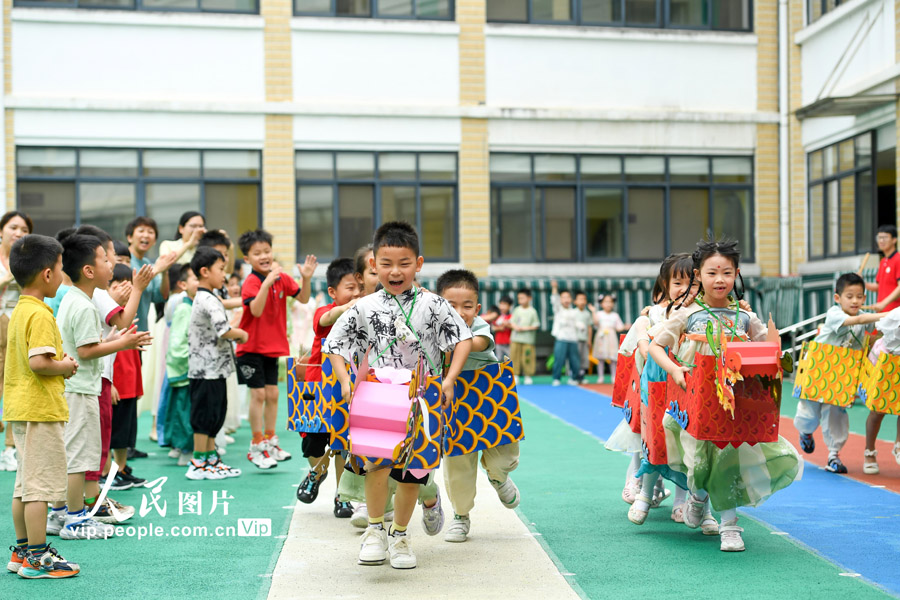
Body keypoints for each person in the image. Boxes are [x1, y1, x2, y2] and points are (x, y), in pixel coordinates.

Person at [324, 221, 472, 570]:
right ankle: (375, 531)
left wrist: (449, 378)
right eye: (387, 263)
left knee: (412, 473)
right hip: (377, 393)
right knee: (377, 468)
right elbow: (335, 344)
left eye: (404, 263)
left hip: (423, 396)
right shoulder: (363, 307)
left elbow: (462, 338)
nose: (395, 271)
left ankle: (401, 535)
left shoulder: (434, 304)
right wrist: (345, 380)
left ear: (418, 264)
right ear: (373, 264)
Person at [647, 238, 801, 552]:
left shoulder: (745, 317)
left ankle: (730, 527)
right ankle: (698, 496)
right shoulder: (685, 314)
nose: (720, 280)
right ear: (698, 276)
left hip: (736, 402)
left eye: (727, 273)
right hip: (697, 399)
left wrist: (778, 360)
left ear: (737, 275)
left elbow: (766, 348)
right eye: (712, 273)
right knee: (701, 462)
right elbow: (655, 346)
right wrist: (675, 370)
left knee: (730, 459)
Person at [51, 234, 151, 540]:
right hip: (80, 390)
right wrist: (124, 342)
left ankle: (58, 514)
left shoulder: (78, 299)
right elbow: (86, 352)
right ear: (88, 271)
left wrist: (114, 341)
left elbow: (88, 344)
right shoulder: (83, 305)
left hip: (80, 387)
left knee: (75, 456)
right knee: (80, 458)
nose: (112, 264)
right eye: (105, 259)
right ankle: (76, 520)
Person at [5, 234, 81, 578]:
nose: (64, 274)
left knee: (24, 484)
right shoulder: (40, 315)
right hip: (41, 409)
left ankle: (22, 552)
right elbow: (40, 363)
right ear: (47, 274)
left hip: (21, 408)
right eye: (61, 268)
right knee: (39, 488)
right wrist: (66, 365)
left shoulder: (20, 310)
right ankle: (38, 557)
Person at [437, 269, 520, 544]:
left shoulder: (479, 328)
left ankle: (498, 478)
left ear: (478, 308)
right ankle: (461, 516)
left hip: (488, 399)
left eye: (467, 306)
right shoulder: (431, 329)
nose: (460, 312)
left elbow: (478, 343)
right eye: (451, 306)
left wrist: (450, 343)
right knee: (457, 460)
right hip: (454, 400)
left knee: (504, 451)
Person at [611, 255, 692, 517]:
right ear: (665, 286)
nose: (685, 288)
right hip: (653, 387)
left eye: (692, 282)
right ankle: (640, 485)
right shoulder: (652, 316)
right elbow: (642, 348)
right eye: (678, 282)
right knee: (646, 437)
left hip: (685, 390)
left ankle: (681, 500)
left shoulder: (700, 314)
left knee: (683, 444)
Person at [236, 229, 317, 469]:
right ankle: (256, 444)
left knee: (273, 395)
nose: (264, 256)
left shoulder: (281, 277)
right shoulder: (251, 282)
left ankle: (271, 440)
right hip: (250, 348)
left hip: (271, 348)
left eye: (267, 251)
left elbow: (302, 298)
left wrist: (307, 278)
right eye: (257, 253)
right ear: (247, 259)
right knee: (258, 395)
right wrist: (267, 283)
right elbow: (256, 310)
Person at [796, 273, 887, 475]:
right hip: (818, 370)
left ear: (864, 298)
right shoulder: (834, 314)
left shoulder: (866, 319)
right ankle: (806, 431)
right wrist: (888, 314)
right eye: (849, 296)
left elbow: (873, 338)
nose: (855, 300)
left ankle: (833, 456)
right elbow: (860, 319)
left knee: (836, 415)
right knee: (809, 413)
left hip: (842, 376)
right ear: (837, 298)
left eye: (859, 296)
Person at [297, 258, 359, 517]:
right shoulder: (324, 311)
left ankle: (342, 495)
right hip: (317, 389)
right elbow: (327, 318)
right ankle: (317, 471)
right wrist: (347, 307)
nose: (356, 293)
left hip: (346, 390)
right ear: (333, 292)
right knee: (312, 443)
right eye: (349, 288)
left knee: (344, 444)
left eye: (359, 288)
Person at [185, 247, 247, 481]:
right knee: (204, 417)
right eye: (220, 269)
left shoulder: (209, 297)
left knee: (214, 415)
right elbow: (224, 330)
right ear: (204, 271)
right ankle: (198, 462)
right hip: (205, 371)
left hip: (214, 370)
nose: (224, 274)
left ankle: (211, 459)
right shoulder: (207, 299)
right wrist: (241, 334)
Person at [108, 263, 149, 489]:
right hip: (116, 386)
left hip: (130, 385)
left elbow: (134, 359)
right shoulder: (108, 319)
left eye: (128, 287)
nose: (124, 292)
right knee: (112, 432)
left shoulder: (128, 318)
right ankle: (107, 473)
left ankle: (121, 469)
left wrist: (138, 387)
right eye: (118, 286)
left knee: (126, 432)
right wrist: (110, 384)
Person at [863, 225, 900, 468]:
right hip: (885, 327)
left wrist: (884, 304)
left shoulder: (898, 259)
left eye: (884, 237)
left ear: (894, 240)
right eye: (878, 237)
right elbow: (882, 285)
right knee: (878, 402)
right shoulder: (884, 261)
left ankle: (898, 445)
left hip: (891, 318)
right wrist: (858, 288)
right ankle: (869, 450)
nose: (880, 240)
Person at [0, 211, 33, 472]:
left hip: (18, 327)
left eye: (24, 229)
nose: (18, 233)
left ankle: (9, 449)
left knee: (15, 388)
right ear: (2, 231)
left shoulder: (28, 261)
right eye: (13, 227)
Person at [163, 265, 196, 467]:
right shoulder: (184, 308)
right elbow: (178, 342)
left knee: (180, 409)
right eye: (196, 278)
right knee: (183, 411)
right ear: (183, 284)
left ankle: (181, 448)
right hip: (185, 369)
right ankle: (185, 450)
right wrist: (188, 361)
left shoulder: (190, 305)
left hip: (185, 367)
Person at [550, 281, 584, 386]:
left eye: (568, 297)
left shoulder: (574, 311)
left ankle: (573, 377)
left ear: (571, 300)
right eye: (563, 297)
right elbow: (554, 300)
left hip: (573, 338)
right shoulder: (558, 309)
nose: (566, 299)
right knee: (559, 359)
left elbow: (576, 322)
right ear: (560, 300)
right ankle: (556, 378)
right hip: (561, 338)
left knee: (574, 360)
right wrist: (554, 288)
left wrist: (580, 326)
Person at [592, 294, 626, 384]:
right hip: (601, 337)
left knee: (613, 359)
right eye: (606, 302)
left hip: (611, 337)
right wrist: (593, 312)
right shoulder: (599, 314)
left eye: (610, 302)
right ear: (601, 304)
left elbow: (619, 327)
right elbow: (595, 323)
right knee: (601, 358)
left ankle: (613, 376)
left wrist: (625, 326)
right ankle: (600, 377)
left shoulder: (615, 315)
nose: (608, 304)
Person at [510, 289, 539, 385]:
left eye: (522, 298)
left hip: (528, 340)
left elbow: (536, 325)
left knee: (527, 357)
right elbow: (512, 322)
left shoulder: (532, 311)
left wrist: (524, 328)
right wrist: (515, 327)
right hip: (516, 339)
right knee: (515, 357)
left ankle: (528, 375)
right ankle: (516, 375)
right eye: (519, 298)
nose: (520, 300)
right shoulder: (517, 310)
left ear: (529, 298)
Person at [573, 291, 593, 380]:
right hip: (575, 339)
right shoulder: (573, 313)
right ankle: (573, 376)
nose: (582, 301)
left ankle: (581, 376)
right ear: (575, 301)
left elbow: (589, 327)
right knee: (575, 358)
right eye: (580, 299)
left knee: (584, 358)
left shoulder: (587, 314)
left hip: (584, 339)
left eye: (584, 299)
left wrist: (589, 340)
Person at [493, 296, 513, 361]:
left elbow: (514, 327)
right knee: (498, 359)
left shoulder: (511, 316)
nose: (502, 307)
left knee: (510, 358)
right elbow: (493, 328)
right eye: (501, 304)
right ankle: (499, 371)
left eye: (505, 304)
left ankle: (509, 371)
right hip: (498, 342)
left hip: (508, 342)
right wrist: (499, 328)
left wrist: (508, 325)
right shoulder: (496, 316)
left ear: (509, 306)